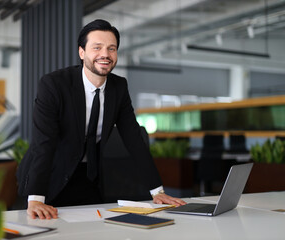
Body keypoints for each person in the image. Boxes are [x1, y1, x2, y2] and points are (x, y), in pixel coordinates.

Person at [16, 19, 186, 220]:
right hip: (47, 177)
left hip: (88, 177)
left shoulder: (118, 87)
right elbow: (43, 143)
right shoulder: (54, 84)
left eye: (111, 49)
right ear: (82, 52)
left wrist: (157, 192)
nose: (105, 54)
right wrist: (36, 197)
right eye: (97, 47)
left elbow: (134, 141)